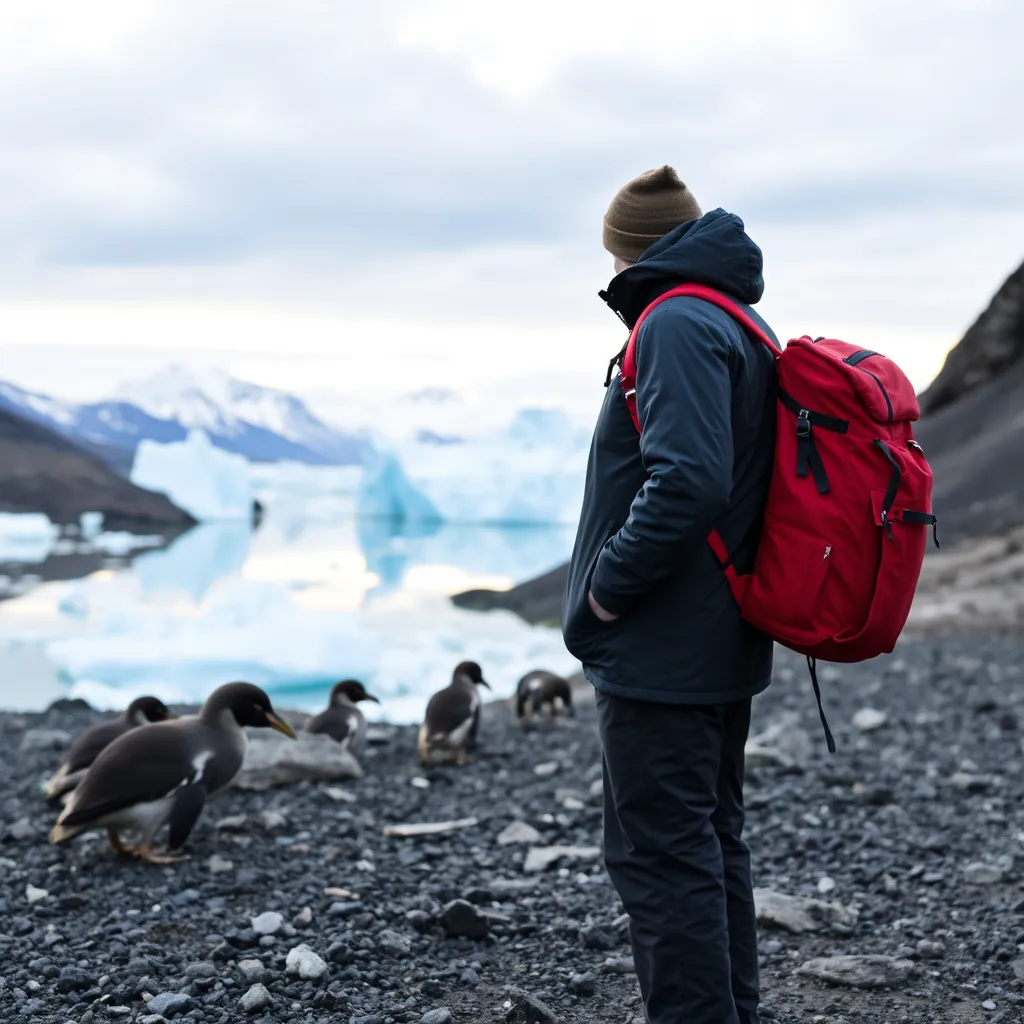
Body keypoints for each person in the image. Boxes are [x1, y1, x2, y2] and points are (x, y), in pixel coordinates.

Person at [561, 165, 778, 1024]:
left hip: (664, 644)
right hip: (711, 632)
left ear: (625, 247)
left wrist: (607, 593)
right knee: (705, 843)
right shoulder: (730, 316)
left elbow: (687, 480)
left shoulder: (679, 322)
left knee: (661, 857)